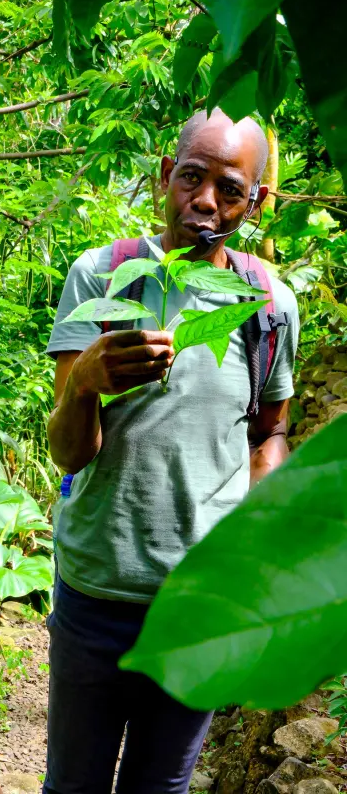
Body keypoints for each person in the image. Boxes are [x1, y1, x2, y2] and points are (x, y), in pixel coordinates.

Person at [44, 109, 299, 794]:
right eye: (192, 177)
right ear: (165, 174)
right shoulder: (102, 278)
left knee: (161, 787)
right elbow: (68, 453)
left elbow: (268, 429)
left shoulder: (268, 302)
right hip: (96, 591)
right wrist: (88, 384)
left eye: (230, 189)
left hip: (199, 608)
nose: (206, 201)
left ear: (258, 202)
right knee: (74, 784)